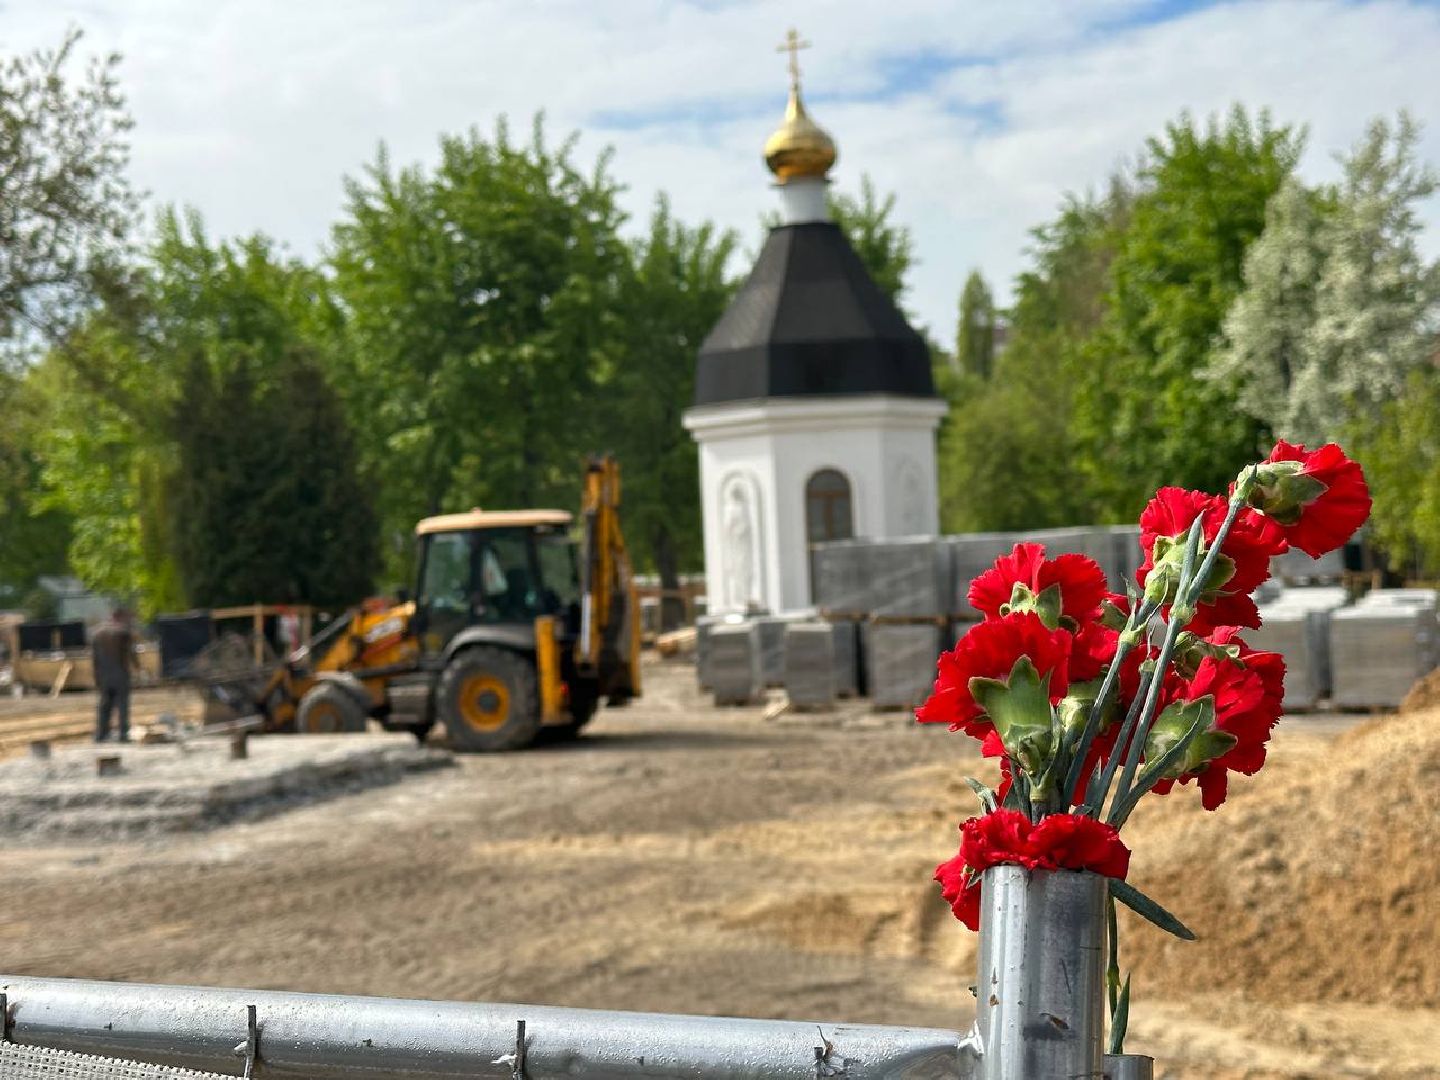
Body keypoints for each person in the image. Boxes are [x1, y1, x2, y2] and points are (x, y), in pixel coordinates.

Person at [92, 607, 138, 743]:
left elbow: (94, 659)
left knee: (104, 706)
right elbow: (129, 653)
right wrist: (137, 667)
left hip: (103, 676)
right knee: (122, 705)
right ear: (120, 616)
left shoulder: (97, 633)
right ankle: (123, 734)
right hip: (120, 675)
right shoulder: (123, 632)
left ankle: (101, 734)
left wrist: (96, 676)